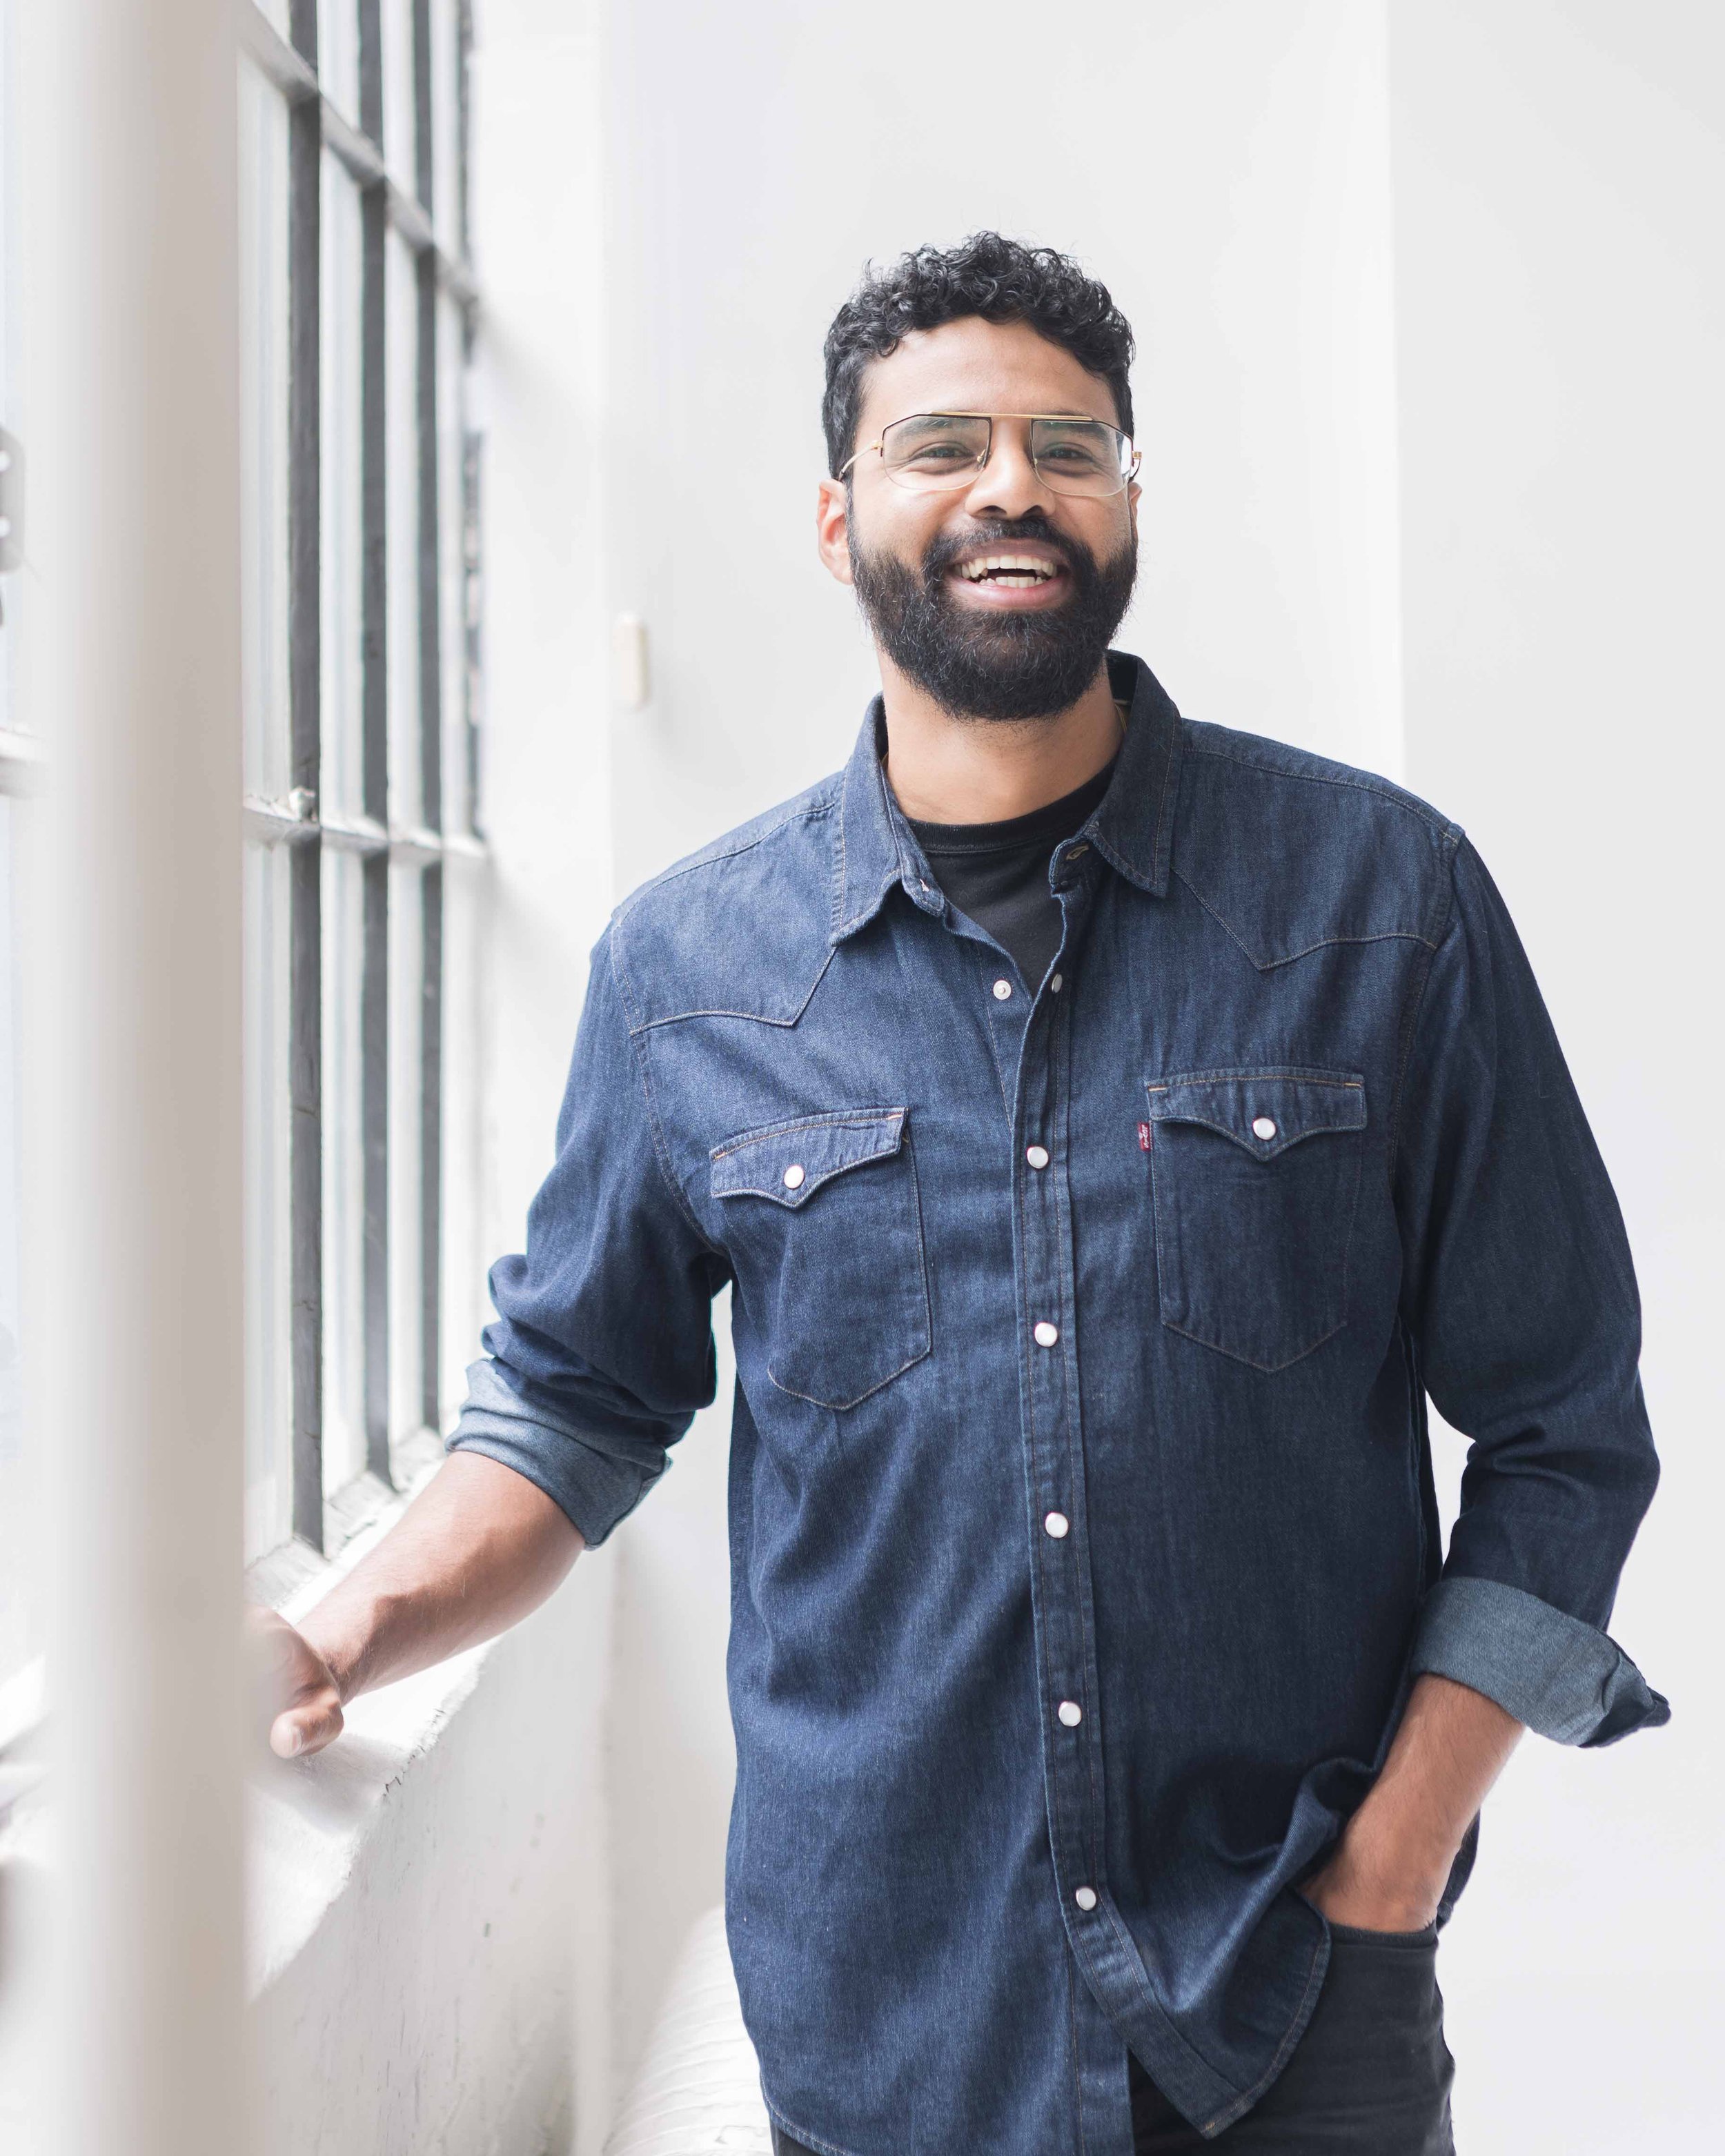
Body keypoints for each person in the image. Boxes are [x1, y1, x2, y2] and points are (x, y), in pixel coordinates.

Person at [252, 233, 1668, 2155]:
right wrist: (340, 1633)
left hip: (1284, 1993)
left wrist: (1396, 1855)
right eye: (941, 445)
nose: (1010, 483)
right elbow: (577, 1402)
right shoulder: (687, 970)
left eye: (1064, 444)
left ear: (1126, 500)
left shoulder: (1380, 902)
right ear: (839, 518)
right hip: (891, 2007)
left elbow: (1564, 1430)